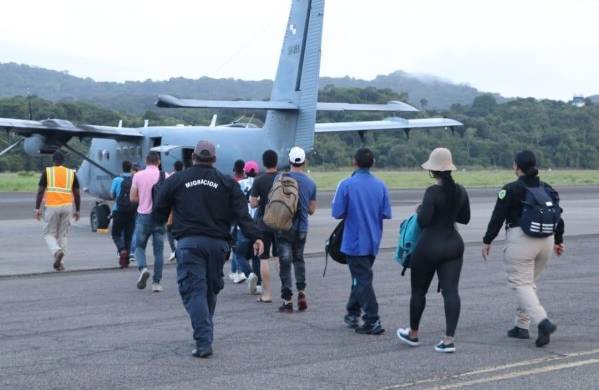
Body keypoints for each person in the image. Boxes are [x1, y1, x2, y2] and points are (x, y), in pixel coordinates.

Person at [153, 140, 264, 358]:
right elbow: (242, 215)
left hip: (189, 244)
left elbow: (158, 211)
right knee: (210, 291)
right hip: (217, 245)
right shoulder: (226, 182)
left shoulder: (176, 180)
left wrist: (168, 221)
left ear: (193, 157)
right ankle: (205, 332)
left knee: (194, 292)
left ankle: (203, 341)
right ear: (214, 159)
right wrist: (256, 237)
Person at [482, 150, 565, 348]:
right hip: (546, 240)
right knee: (529, 283)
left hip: (522, 241)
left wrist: (487, 240)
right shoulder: (547, 188)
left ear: (517, 167)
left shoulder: (510, 189)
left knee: (521, 284)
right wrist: (559, 241)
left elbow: (498, 217)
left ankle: (543, 322)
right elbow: (558, 217)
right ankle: (521, 326)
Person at [397, 147, 471, 353]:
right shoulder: (461, 191)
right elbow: (465, 218)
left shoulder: (432, 192)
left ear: (433, 170)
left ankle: (413, 333)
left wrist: (421, 208)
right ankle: (448, 340)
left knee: (419, 291)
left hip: (429, 247)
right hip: (453, 245)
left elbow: (424, 221)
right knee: (451, 292)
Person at [332, 148, 392, 335]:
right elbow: (385, 213)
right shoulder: (381, 185)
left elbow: (337, 213)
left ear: (354, 162)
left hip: (354, 242)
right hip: (373, 240)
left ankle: (372, 319)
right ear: (373, 163)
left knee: (362, 280)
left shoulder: (347, 184)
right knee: (360, 278)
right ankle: (352, 312)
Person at [277, 146, 317, 313]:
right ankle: (301, 292)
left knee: (285, 263)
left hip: (284, 227)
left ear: (289, 161)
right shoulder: (310, 183)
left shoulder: (280, 178)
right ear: (304, 161)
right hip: (302, 228)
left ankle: (287, 301)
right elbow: (311, 210)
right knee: (299, 259)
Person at [35, 151, 81, 271]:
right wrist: (78, 210)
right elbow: (77, 193)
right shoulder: (71, 173)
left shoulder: (48, 171)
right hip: (67, 206)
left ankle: (56, 252)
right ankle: (60, 263)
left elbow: (40, 191)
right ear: (63, 161)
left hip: (52, 206)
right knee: (63, 234)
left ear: (53, 160)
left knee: (48, 233)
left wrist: (37, 208)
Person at [130, 152, 166, 292]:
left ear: (146, 161)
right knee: (158, 252)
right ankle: (156, 283)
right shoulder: (165, 176)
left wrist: (144, 199)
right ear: (158, 161)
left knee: (139, 247)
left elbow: (132, 198)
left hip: (144, 216)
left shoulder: (138, 175)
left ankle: (143, 268)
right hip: (160, 218)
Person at [250, 150, 279, 303]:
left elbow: (253, 203)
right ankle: (286, 292)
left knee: (264, 258)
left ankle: (267, 294)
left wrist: (262, 200)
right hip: (281, 222)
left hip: (264, 222)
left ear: (264, 162)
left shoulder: (259, 180)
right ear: (276, 162)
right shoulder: (284, 178)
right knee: (281, 258)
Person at [234, 160, 261, 294]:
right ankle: (259, 284)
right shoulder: (260, 184)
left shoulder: (239, 184)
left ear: (244, 171)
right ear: (257, 171)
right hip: (257, 225)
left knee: (239, 254)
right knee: (257, 255)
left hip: (243, 225)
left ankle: (249, 274)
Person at [110, 160, 137, 268]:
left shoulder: (117, 180)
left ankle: (121, 250)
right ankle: (126, 261)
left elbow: (112, 194)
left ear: (122, 168)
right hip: (131, 211)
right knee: (128, 236)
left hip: (118, 210)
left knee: (116, 234)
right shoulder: (134, 179)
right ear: (131, 169)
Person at [228, 159, 246, 280]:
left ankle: (236, 270)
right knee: (239, 244)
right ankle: (236, 270)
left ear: (234, 169)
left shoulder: (230, 182)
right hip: (243, 215)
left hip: (232, 216)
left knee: (233, 245)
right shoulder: (247, 182)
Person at [166, 160, 184, 262]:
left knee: (169, 229)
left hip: (173, 207)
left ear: (174, 167)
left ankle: (174, 250)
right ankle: (180, 250)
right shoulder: (187, 176)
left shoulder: (170, 177)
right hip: (184, 206)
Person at [129, 163, 142, 263]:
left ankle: (128, 250)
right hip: (139, 207)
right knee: (136, 229)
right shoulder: (142, 179)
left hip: (128, 207)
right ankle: (133, 251)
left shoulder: (131, 179)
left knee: (129, 229)